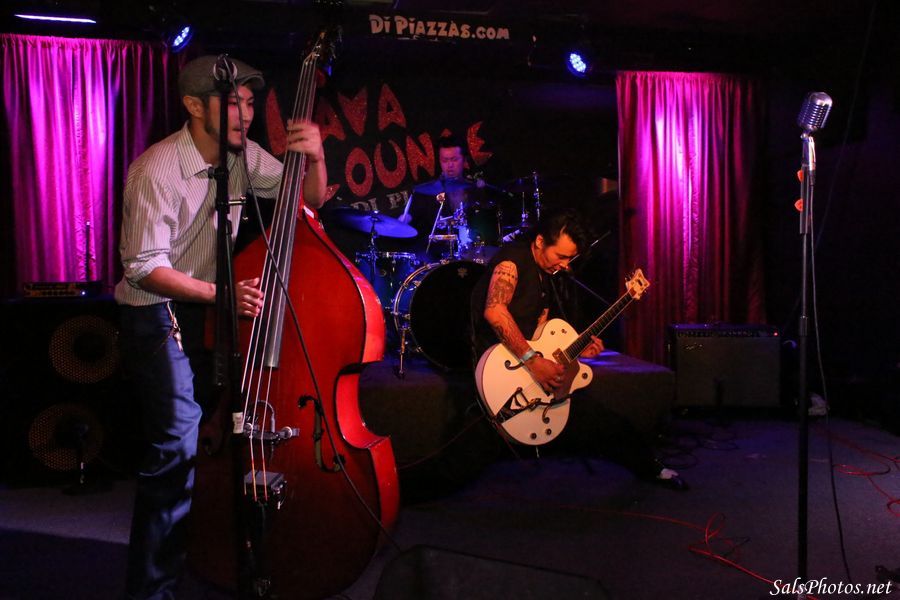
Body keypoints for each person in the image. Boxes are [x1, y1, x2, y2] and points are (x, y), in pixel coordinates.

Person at [114, 55, 329, 600]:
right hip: (154, 309)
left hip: (209, 306)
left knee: (218, 436)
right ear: (193, 106)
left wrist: (316, 157)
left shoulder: (244, 157)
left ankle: (208, 553)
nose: (246, 114)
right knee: (177, 444)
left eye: (251, 102)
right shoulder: (156, 169)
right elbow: (143, 267)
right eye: (233, 102)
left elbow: (306, 201)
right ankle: (150, 591)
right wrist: (223, 295)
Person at [470, 207, 687, 489]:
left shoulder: (546, 274)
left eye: (569, 258)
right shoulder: (512, 262)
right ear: (539, 242)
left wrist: (577, 349)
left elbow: (539, 332)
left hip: (527, 375)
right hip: (502, 373)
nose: (564, 264)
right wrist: (533, 361)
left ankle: (651, 467)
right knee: (466, 455)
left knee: (606, 421)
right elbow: (495, 312)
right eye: (560, 256)